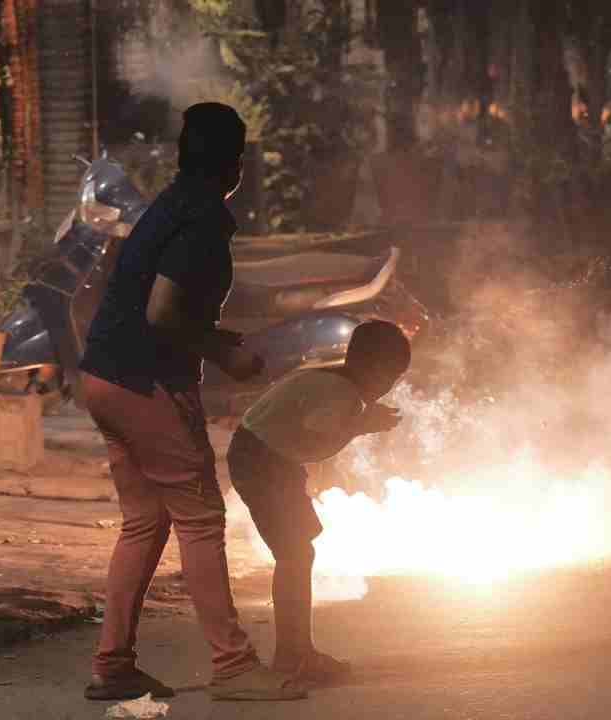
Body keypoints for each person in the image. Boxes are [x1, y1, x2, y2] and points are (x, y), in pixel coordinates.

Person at [77, 102, 306, 702]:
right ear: (235, 166)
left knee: (146, 521)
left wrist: (212, 341)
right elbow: (162, 314)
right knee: (201, 520)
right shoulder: (201, 221)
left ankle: (113, 664)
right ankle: (233, 665)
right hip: (145, 383)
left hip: (103, 375)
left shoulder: (169, 207)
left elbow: (153, 304)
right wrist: (225, 355)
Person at [228, 320, 411, 685]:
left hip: (266, 457)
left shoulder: (327, 376)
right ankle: (292, 656)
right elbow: (317, 444)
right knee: (295, 555)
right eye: (390, 378)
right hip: (264, 462)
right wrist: (360, 426)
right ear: (373, 368)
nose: (389, 388)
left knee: (299, 553)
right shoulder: (340, 394)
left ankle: (297, 651)